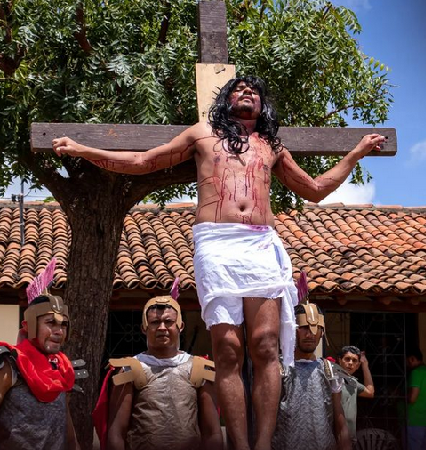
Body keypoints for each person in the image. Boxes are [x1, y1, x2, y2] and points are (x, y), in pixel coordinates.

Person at [53, 75, 386, 450]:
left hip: (260, 244)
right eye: (239, 90)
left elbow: (315, 189)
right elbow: (144, 161)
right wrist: (83, 149)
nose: (247, 94)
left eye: (255, 92)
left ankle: (262, 444)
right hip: (217, 242)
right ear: (226, 100)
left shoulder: (271, 145)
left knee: (264, 345)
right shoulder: (202, 134)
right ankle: (239, 446)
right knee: (228, 348)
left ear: (263, 106)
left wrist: (356, 152)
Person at [0, 258, 84, 450]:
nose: (59, 331)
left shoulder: (62, 368)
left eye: (63, 325)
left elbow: (67, 430)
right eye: (50, 323)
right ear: (31, 326)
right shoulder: (5, 366)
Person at [92, 292, 223, 450]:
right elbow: (116, 432)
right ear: (144, 328)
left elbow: (212, 432)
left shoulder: (200, 368)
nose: (162, 328)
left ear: (180, 326)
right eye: (155, 322)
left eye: (168, 322)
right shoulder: (129, 369)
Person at [272, 301, 351, 450]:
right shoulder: (278, 368)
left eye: (315, 329)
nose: (309, 334)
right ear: (292, 330)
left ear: (322, 332)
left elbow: (340, 422)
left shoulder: (331, 370)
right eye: (303, 328)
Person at [337, 345, 375, 444]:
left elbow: (370, 392)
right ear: (340, 360)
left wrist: (365, 366)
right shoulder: (333, 379)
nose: (350, 363)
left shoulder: (352, 382)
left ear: (357, 366)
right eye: (347, 359)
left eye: (354, 361)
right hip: (333, 438)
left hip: (350, 437)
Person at [405, 347, 426, 450]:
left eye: (407, 361)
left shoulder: (416, 372)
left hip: (414, 420)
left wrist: (401, 396)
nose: (407, 364)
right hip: (424, 420)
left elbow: (413, 398)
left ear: (412, 359)